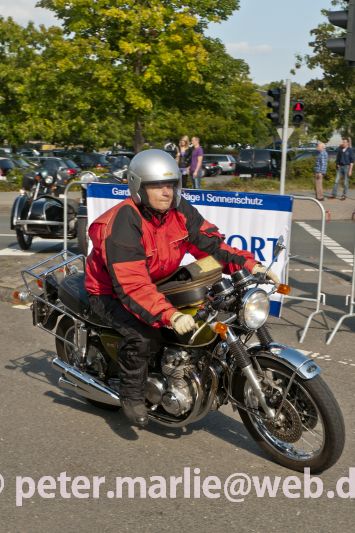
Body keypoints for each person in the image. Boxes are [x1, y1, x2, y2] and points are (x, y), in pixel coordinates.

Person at [85, 149, 279, 427]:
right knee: (144, 334)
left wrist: (249, 265)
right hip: (110, 291)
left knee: (211, 308)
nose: (166, 192)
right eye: (157, 185)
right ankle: (131, 394)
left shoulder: (178, 210)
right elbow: (132, 285)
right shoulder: (123, 222)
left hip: (155, 282)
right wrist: (170, 314)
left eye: (172, 184)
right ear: (138, 186)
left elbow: (210, 245)